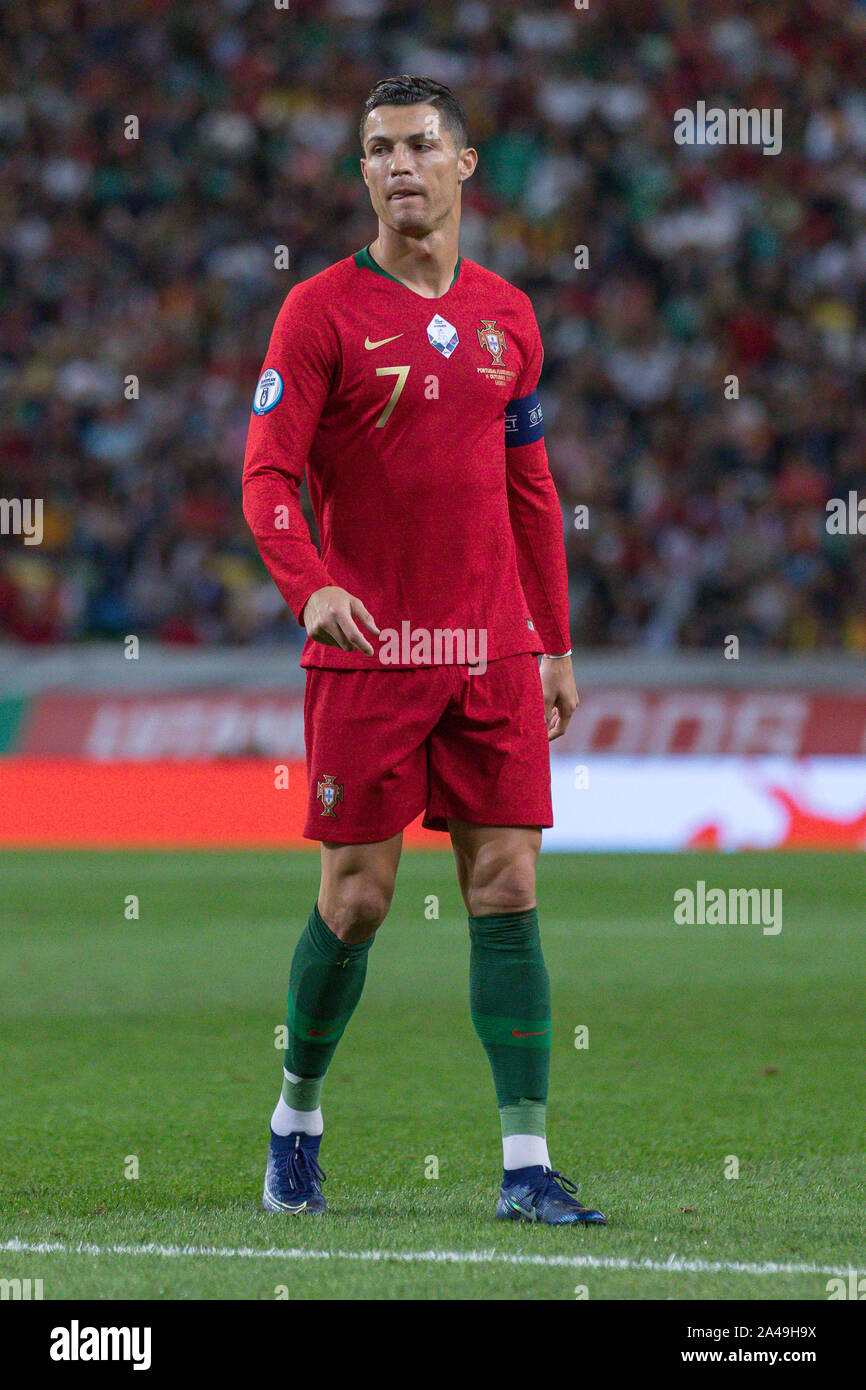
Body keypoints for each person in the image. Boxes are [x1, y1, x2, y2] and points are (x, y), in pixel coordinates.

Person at [242, 74, 605, 1226]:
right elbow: (266, 478)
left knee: (506, 885)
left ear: (464, 165)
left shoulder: (509, 314)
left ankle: (525, 1165)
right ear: (361, 173)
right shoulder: (317, 313)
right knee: (356, 901)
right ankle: (294, 1118)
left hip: (492, 651)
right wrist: (310, 591)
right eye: (376, 150)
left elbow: (527, 485)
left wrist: (549, 638)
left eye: (416, 146)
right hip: (370, 649)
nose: (397, 166)